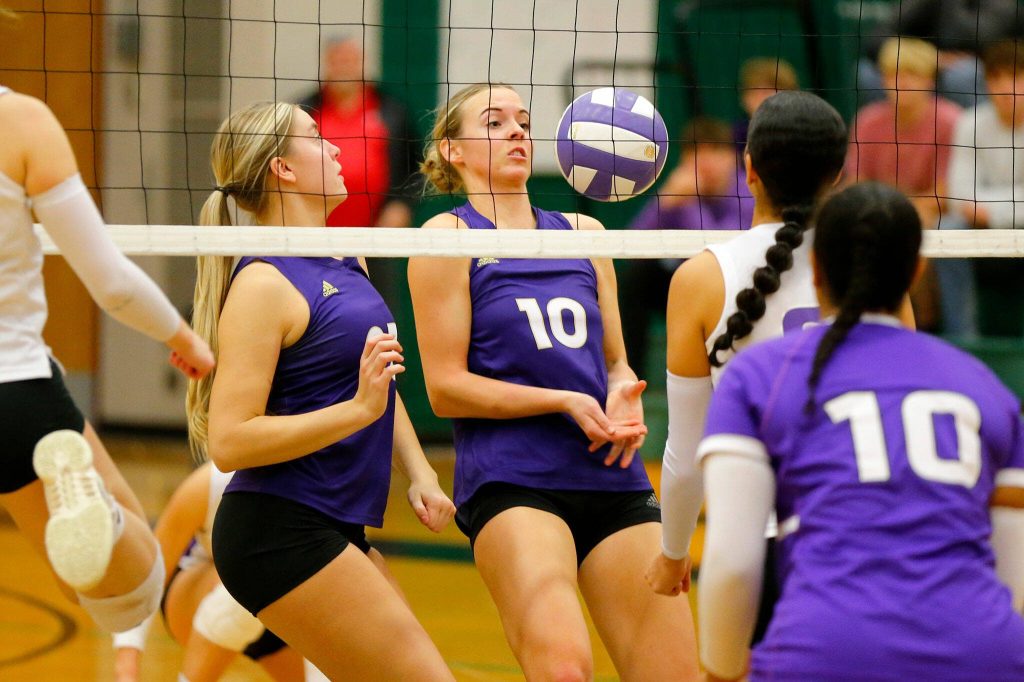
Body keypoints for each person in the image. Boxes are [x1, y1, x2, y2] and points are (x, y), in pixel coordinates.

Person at [408, 83, 700, 681]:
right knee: (565, 670)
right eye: (494, 123)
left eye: (523, 121)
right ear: (452, 150)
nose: (518, 131)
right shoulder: (448, 237)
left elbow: (616, 359)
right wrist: (562, 399)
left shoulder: (583, 233)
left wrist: (621, 391)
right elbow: (444, 388)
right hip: (513, 479)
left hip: (609, 472)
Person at [696, 182, 1024, 681]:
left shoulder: (761, 376)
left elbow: (733, 561)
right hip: (983, 653)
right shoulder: (984, 387)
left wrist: (719, 670)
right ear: (917, 270)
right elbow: (1014, 574)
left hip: (826, 650)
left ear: (818, 270)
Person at [187, 100, 456, 681]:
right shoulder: (264, 281)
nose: (335, 147)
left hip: (337, 521)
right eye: (316, 137)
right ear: (282, 169)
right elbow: (230, 442)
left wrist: (421, 472)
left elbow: (376, 385)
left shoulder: (346, 252)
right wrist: (355, 411)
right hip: (279, 528)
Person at [645, 91, 912, 631]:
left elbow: (687, 447)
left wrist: (674, 548)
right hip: (878, 537)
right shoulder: (876, 269)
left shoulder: (700, 277)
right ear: (837, 173)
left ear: (750, 169)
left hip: (763, 540)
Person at [0, 80, 213, 635]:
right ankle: (103, 513)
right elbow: (111, 282)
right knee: (129, 600)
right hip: (14, 389)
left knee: (85, 582)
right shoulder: (21, 122)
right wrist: (184, 338)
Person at [111, 462, 305, 682]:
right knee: (257, 575)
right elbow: (145, 579)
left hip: (282, 610)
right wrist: (126, 671)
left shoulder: (325, 480)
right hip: (198, 593)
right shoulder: (209, 483)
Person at [846, 36, 968, 335]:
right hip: (877, 209)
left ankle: (943, 332)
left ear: (929, 80)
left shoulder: (951, 120)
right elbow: (856, 184)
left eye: (911, 74)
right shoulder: (867, 121)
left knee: (924, 231)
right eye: (893, 74)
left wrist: (902, 210)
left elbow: (947, 194)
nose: (901, 83)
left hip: (931, 213)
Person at [619, 117, 754, 375]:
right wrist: (667, 199)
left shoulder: (746, 189)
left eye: (714, 151)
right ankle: (631, 375)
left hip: (734, 285)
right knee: (637, 278)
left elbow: (715, 248)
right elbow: (631, 243)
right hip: (685, 284)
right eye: (694, 152)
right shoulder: (678, 190)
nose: (704, 161)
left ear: (732, 157)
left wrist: (689, 201)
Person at [299, 36, 420, 229]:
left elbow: (415, 166)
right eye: (337, 61)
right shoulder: (305, 109)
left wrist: (401, 204)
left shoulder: (392, 110)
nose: (344, 67)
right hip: (315, 229)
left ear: (362, 63)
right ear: (327, 64)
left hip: (376, 233)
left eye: (350, 60)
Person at [948, 39, 1024, 337]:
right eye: (997, 77)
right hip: (978, 227)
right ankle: (963, 339)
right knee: (949, 230)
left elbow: (976, 203)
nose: (1006, 87)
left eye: (1016, 77)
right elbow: (960, 199)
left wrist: (991, 212)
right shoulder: (970, 123)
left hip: (990, 220)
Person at [733, 57, 800, 149]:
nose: (759, 98)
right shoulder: (736, 135)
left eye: (767, 91)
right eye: (753, 91)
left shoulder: (807, 129)